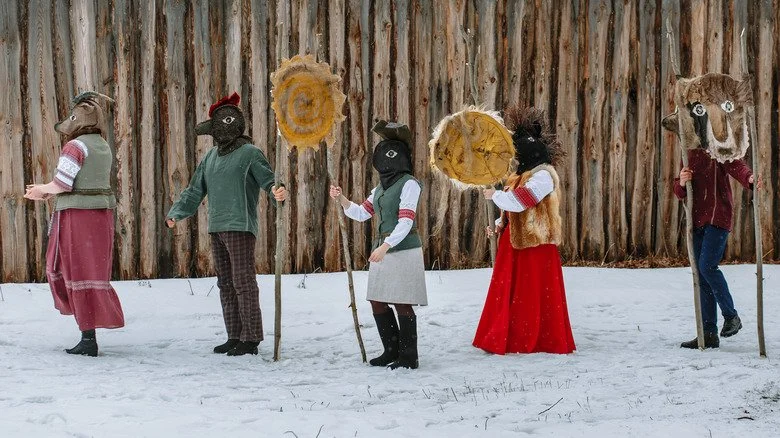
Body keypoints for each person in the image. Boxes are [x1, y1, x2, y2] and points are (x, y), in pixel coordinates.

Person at [166, 92, 287, 356]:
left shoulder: (250, 154)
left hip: (240, 225)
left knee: (243, 281)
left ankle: (251, 337)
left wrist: (277, 190)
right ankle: (234, 334)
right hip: (217, 226)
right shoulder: (210, 158)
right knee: (225, 283)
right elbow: (194, 190)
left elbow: (269, 180)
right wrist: (177, 212)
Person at [24, 92, 125, 357]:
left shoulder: (75, 147)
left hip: (77, 217)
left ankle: (88, 338)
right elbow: (83, 183)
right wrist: (48, 191)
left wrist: (39, 190)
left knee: (73, 268)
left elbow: (62, 184)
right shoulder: (102, 146)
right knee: (92, 270)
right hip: (100, 216)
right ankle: (88, 335)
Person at [472, 107, 575, 355]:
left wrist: (494, 195)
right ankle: (507, 335)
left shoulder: (543, 176)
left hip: (536, 245)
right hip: (514, 242)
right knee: (511, 290)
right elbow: (513, 211)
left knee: (532, 293)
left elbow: (523, 201)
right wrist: (499, 224)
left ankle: (533, 338)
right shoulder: (518, 176)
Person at [329, 121, 427, 369]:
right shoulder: (381, 187)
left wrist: (386, 246)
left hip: (403, 249)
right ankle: (391, 350)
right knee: (378, 300)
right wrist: (341, 198)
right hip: (382, 249)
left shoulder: (409, 184)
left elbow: (406, 221)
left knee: (402, 301)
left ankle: (408, 357)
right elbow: (362, 213)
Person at [674, 148, 759, 349]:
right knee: (701, 276)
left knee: (707, 267)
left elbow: (736, 166)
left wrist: (749, 178)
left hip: (718, 216)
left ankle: (731, 316)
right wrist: (682, 181)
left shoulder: (718, 148)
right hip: (697, 220)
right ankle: (709, 333)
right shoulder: (688, 151)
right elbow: (678, 191)